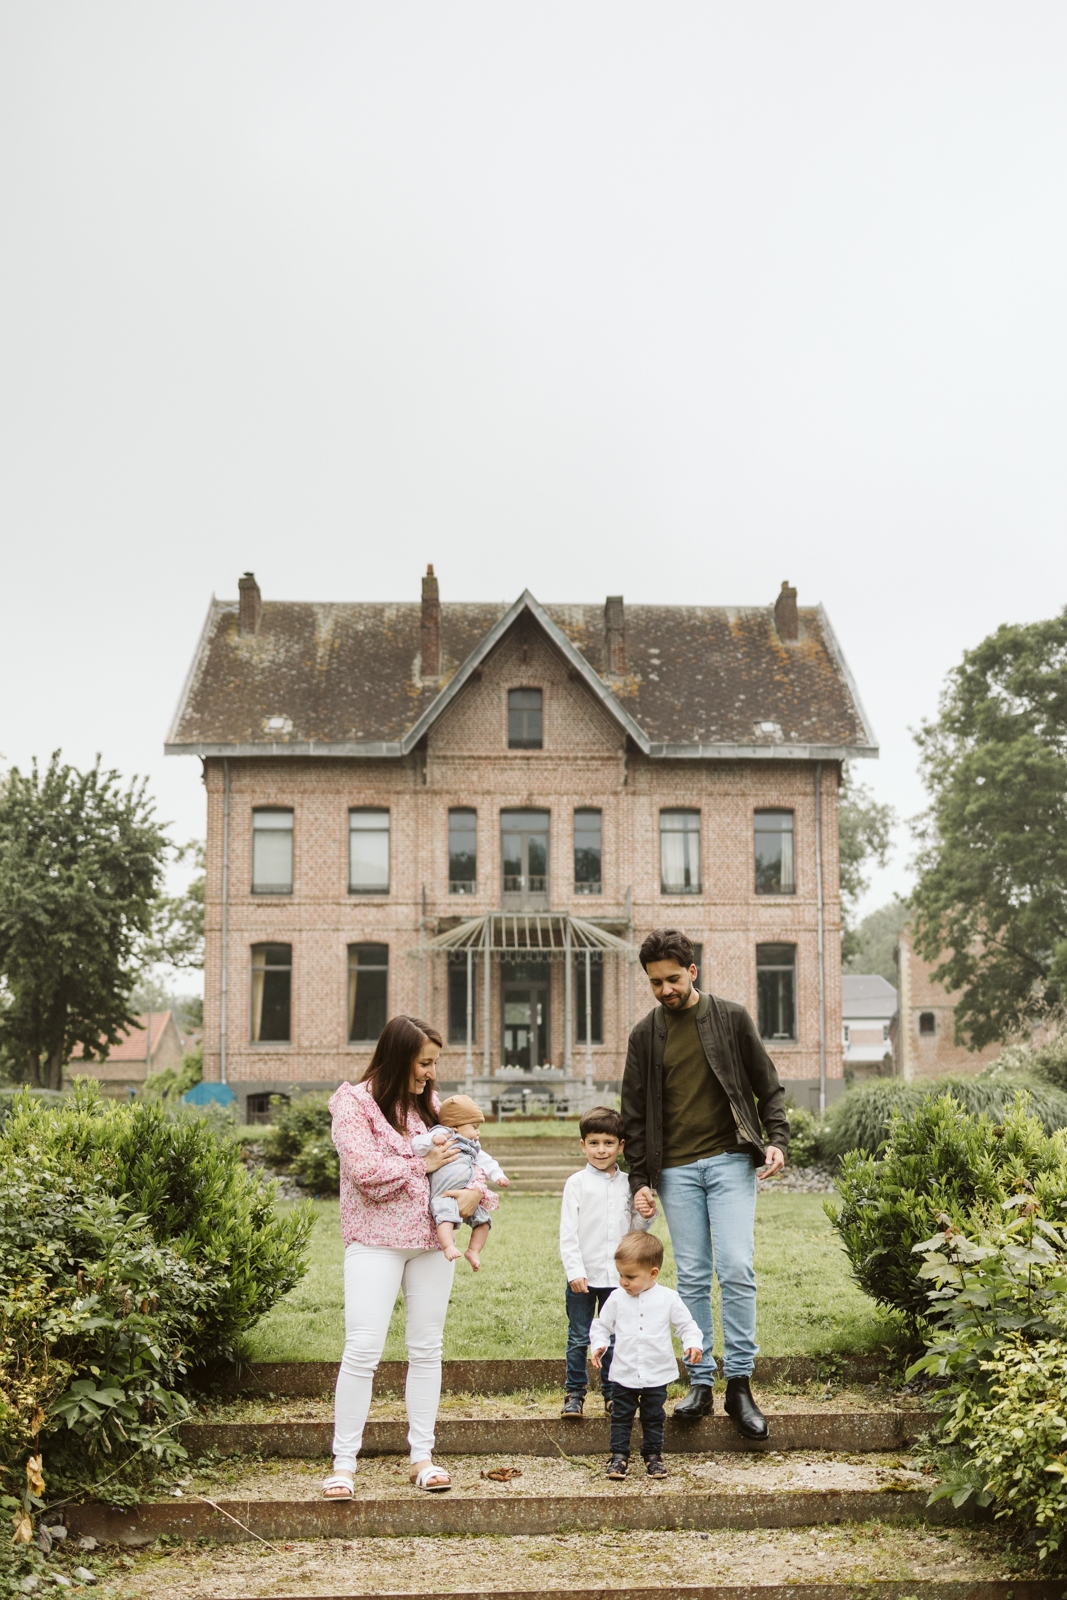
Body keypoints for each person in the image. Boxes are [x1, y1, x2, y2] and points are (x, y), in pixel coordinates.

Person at [621, 928, 789, 1440]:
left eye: (672, 979)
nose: (665, 990)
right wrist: (640, 1179)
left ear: (692, 972)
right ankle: (699, 1380)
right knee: (692, 1276)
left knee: (736, 1268)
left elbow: (766, 1083)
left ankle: (739, 1383)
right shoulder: (645, 1035)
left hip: (730, 1162)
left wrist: (777, 1137)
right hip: (675, 1170)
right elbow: (633, 1115)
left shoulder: (731, 1017)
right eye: (655, 982)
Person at [322, 1015, 489, 1500]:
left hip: (432, 1242)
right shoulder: (354, 1103)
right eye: (425, 1062)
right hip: (374, 1240)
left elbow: (468, 1157)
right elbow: (365, 1170)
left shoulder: (429, 1106)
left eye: (435, 1063)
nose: (431, 1073)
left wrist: (476, 1192)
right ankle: (344, 1464)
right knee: (363, 1348)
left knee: (426, 1347)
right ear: (399, 1058)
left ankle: (423, 1457)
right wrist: (423, 1164)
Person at [557, 1105, 652, 1420]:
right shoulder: (576, 1184)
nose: (601, 1150)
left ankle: (613, 1394)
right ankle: (575, 1393)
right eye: (594, 1143)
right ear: (583, 1145)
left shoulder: (628, 1184)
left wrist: (646, 1214)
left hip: (618, 1280)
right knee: (579, 1336)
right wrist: (575, 1271)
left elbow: (636, 1231)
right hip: (584, 1276)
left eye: (608, 1143)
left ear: (621, 1146)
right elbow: (568, 1233)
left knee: (614, 1337)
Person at [589, 1231, 702, 1479]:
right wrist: (598, 1344)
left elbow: (686, 1325)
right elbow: (602, 1325)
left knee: (653, 1416)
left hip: (656, 1372)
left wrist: (693, 1343)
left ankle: (653, 1456)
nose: (623, 1282)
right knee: (621, 1416)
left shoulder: (668, 1298)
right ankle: (618, 1457)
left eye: (630, 1276)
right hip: (623, 1373)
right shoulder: (616, 1299)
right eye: (620, 1275)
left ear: (653, 1273)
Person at [410, 1094, 508, 1270]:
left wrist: (498, 1175)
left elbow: (487, 1161)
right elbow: (416, 1145)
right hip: (444, 1194)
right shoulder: (442, 1133)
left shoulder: (472, 1145)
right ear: (455, 1125)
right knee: (445, 1219)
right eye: (474, 1127)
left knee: (484, 1221)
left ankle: (473, 1250)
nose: (478, 1132)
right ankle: (448, 1246)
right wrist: (432, 1140)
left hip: (466, 1192)